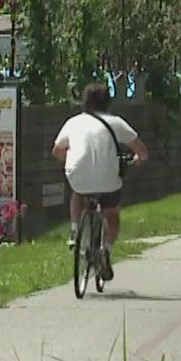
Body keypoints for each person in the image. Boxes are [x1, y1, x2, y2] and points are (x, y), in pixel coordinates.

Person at [52, 80, 148, 281]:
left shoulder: (74, 122)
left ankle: (75, 230)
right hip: (107, 180)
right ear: (108, 102)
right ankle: (106, 250)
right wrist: (137, 160)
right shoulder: (117, 123)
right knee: (112, 213)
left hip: (78, 176)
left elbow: (57, 151)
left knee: (78, 191)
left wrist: (70, 156)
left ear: (84, 101)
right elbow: (142, 151)